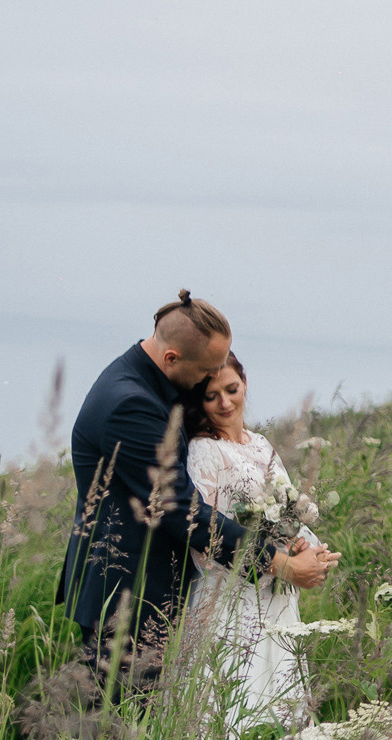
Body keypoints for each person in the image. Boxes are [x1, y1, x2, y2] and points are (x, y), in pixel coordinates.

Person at [57, 291, 335, 690]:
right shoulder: (131, 405)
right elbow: (181, 512)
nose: (212, 380)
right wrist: (278, 563)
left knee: (142, 732)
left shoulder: (141, 377)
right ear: (172, 358)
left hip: (155, 589)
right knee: (121, 732)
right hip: (128, 595)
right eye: (207, 372)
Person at [178, 352, 333, 732]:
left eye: (232, 389)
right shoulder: (203, 451)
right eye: (212, 396)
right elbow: (205, 539)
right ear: (199, 402)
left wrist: (302, 548)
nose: (226, 402)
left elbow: (286, 512)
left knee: (280, 704)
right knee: (233, 707)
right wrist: (275, 564)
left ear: (244, 384)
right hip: (232, 600)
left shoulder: (261, 445)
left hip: (278, 600)